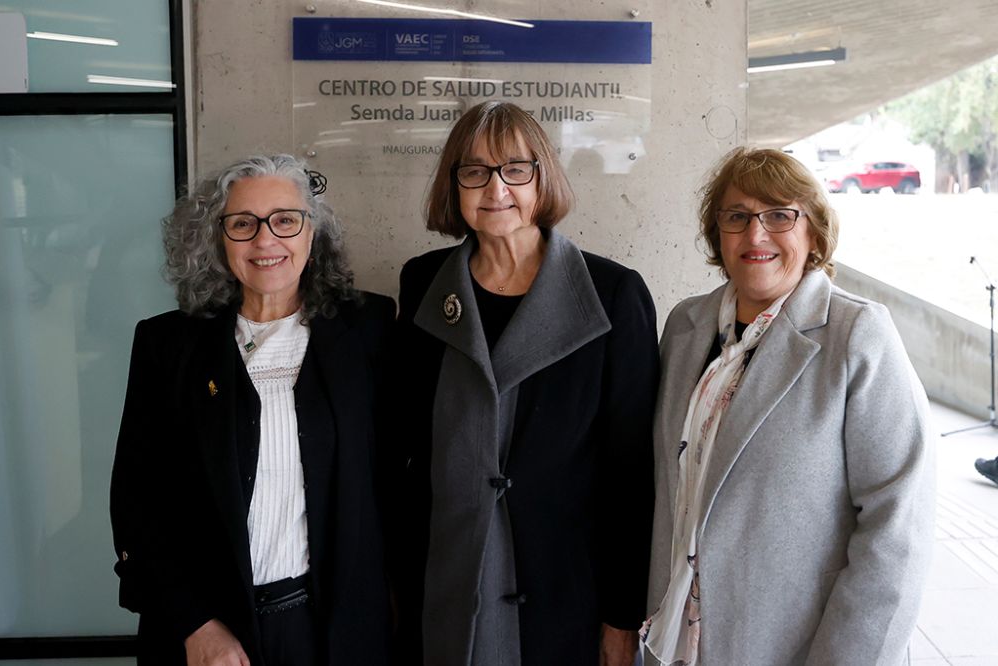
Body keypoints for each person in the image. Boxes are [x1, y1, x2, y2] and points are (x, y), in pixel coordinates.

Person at [388, 100, 659, 666]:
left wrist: (622, 616)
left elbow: (632, 475)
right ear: (454, 184)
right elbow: (407, 451)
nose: (496, 188)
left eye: (516, 169)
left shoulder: (613, 294)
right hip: (447, 588)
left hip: (567, 598)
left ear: (543, 178)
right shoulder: (422, 283)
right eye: (474, 171)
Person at [643, 147, 935, 665]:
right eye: (737, 217)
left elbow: (898, 528)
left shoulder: (857, 335)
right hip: (676, 641)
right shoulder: (685, 328)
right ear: (718, 234)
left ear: (814, 233)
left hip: (793, 646)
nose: (756, 235)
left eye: (779, 215)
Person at [110, 155, 392, 665]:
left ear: (313, 233)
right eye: (243, 224)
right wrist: (194, 624)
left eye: (285, 220)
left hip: (331, 630)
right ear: (216, 240)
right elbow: (137, 501)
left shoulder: (369, 330)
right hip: (209, 636)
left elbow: (399, 482)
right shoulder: (168, 344)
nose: (266, 241)